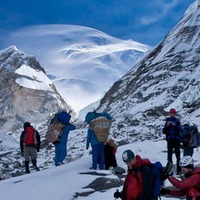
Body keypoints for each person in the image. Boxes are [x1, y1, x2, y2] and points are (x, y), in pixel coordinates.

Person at [163, 108, 182, 174]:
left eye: (173, 113)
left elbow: (180, 129)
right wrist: (167, 126)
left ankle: (179, 170)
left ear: (175, 113)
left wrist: (175, 125)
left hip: (176, 140)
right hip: (170, 140)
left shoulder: (177, 121)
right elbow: (164, 131)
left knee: (178, 155)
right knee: (169, 155)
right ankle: (170, 170)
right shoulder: (167, 121)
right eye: (171, 113)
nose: (172, 114)